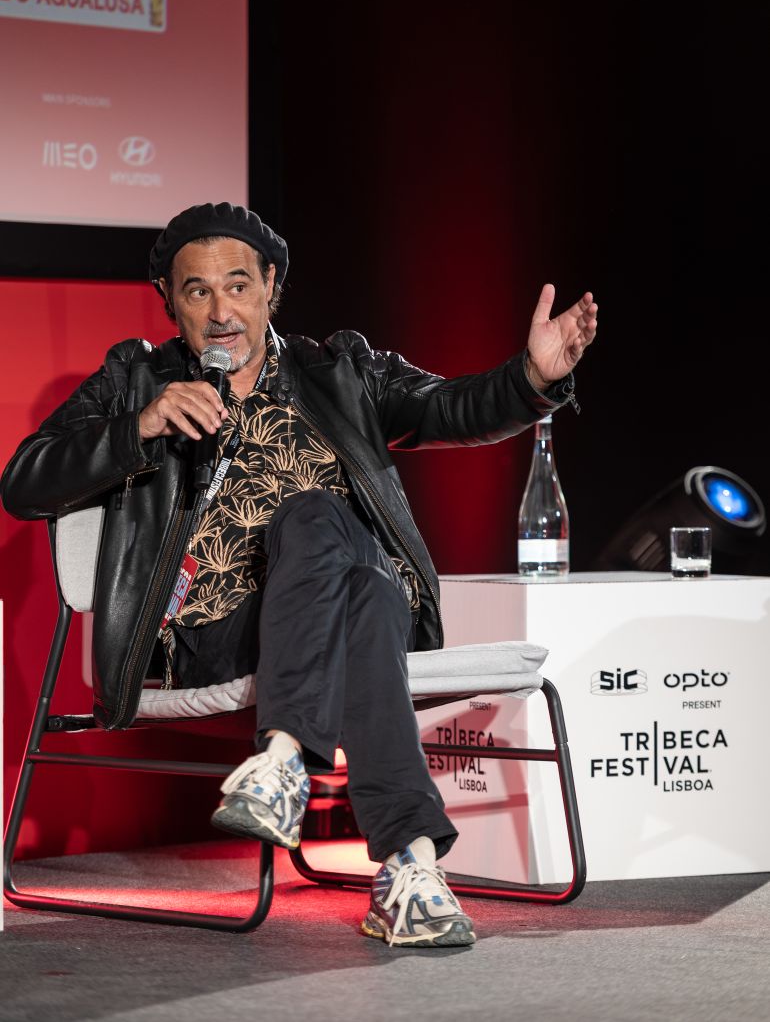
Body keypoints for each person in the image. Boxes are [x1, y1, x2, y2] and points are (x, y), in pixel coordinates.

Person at [0, 201, 598, 948]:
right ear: (172, 304)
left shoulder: (340, 372)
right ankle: (407, 866)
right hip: (219, 632)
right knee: (357, 575)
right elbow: (23, 480)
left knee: (337, 548)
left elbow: (451, 407)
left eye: (239, 285)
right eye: (198, 291)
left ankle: (286, 764)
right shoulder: (135, 379)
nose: (222, 311)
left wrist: (530, 379)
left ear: (271, 286)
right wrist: (139, 427)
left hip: (344, 611)